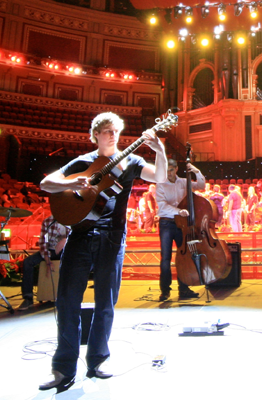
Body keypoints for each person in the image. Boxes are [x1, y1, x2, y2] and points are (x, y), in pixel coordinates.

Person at [37, 111, 167, 392]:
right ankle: (63, 369)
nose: (112, 135)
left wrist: (160, 149)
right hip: (80, 236)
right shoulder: (83, 162)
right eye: (106, 131)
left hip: (112, 238)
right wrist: (72, 183)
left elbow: (161, 176)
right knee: (67, 301)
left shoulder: (131, 161)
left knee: (105, 303)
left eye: (115, 131)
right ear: (95, 134)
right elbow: (46, 184)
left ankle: (97, 361)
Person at [155, 159, 205, 301]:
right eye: (166, 170)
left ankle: (183, 289)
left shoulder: (184, 182)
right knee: (165, 258)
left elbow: (201, 186)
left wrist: (196, 172)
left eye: (171, 170)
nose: (168, 173)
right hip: (166, 223)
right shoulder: (160, 185)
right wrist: (178, 211)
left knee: (183, 257)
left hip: (182, 223)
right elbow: (162, 206)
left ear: (176, 169)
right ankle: (165, 291)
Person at [17, 214, 70, 311]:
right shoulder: (47, 221)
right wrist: (48, 260)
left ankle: (68, 296)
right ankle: (28, 298)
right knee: (28, 262)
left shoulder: (72, 219)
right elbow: (43, 242)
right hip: (50, 251)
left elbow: (76, 238)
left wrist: (65, 240)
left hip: (67, 250)